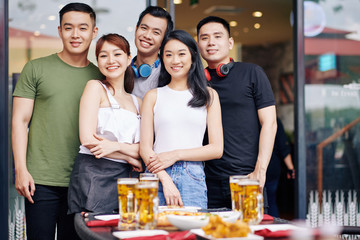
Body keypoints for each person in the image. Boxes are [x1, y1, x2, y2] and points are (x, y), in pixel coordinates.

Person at [11, 3, 102, 240]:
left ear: (94, 32)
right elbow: (20, 121)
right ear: (60, 30)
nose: (75, 34)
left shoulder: (101, 77)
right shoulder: (36, 68)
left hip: (84, 181)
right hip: (40, 180)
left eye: (83, 28)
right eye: (69, 27)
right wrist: (21, 169)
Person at [196, 16, 277, 209]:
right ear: (198, 44)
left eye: (217, 36)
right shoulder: (196, 82)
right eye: (204, 38)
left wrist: (260, 170)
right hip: (207, 182)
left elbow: (270, 123)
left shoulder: (252, 73)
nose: (211, 42)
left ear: (230, 42)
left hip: (247, 178)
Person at [140, 30, 223, 208]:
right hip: (156, 175)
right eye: (168, 55)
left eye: (181, 54)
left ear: (193, 57)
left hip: (192, 176)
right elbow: (145, 148)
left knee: (192, 233)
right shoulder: (153, 96)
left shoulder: (209, 96)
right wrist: (166, 180)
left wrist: (176, 155)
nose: (175, 60)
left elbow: (216, 149)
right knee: (154, 232)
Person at [67, 34, 143, 215]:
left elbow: (144, 149)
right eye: (103, 55)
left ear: (128, 59)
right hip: (94, 175)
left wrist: (115, 147)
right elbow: (87, 139)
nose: (111, 60)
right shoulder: (95, 87)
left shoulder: (138, 101)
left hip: (128, 179)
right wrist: (130, 157)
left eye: (117, 54)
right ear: (98, 61)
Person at [131, 6, 174, 99]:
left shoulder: (171, 74)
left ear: (164, 40)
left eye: (156, 32)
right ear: (136, 29)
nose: (147, 36)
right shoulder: (121, 70)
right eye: (144, 28)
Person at [265, 118, 295, 217]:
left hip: (255, 169)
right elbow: (284, 148)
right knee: (271, 201)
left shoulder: (251, 119)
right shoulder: (275, 120)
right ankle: (274, 229)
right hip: (272, 168)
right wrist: (290, 169)